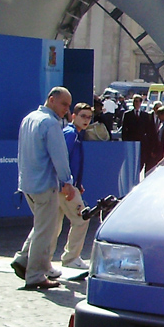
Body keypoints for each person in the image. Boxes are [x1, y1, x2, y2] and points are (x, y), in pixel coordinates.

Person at [10, 87, 77, 290]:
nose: (66, 110)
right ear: (51, 100)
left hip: (28, 183)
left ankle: (23, 259)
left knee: (42, 226)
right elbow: (59, 156)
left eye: (68, 105)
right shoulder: (50, 123)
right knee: (45, 231)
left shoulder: (29, 118)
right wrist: (67, 182)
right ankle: (35, 275)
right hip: (44, 184)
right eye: (64, 104)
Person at [57, 103, 93, 270]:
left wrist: (77, 184)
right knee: (81, 219)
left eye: (88, 117)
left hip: (67, 186)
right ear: (73, 116)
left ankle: (28, 258)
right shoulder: (71, 135)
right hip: (65, 188)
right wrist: (67, 184)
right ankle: (71, 258)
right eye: (83, 116)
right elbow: (61, 160)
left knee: (52, 225)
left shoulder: (75, 135)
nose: (86, 120)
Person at [121, 94, 154, 173]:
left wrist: (148, 142)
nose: (136, 103)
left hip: (142, 143)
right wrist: (125, 141)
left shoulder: (145, 115)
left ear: (140, 103)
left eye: (137, 101)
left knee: (141, 161)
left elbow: (149, 130)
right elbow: (124, 130)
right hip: (131, 141)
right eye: (134, 101)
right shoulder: (127, 115)